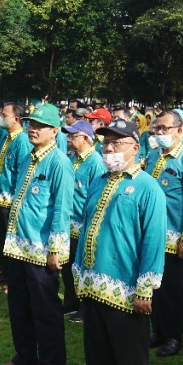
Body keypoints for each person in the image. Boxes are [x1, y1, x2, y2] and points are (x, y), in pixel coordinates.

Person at [68, 119, 166, 365]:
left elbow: (153, 242)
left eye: (117, 143)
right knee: (98, 356)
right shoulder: (99, 181)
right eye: (106, 143)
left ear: (135, 148)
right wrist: (79, 273)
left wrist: (145, 288)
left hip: (127, 291)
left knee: (131, 361)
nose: (109, 149)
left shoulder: (147, 188)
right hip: (94, 286)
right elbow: (84, 230)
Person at [0, 103, 73, 365]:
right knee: (19, 306)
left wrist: (56, 251)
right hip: (18, 247)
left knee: (45, 310)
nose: (33, 128)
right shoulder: (30, 156)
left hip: (41, 251)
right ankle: (26, 357)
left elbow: (63, 210)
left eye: (40, 125)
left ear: (55, 131)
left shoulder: (59, 163)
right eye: (30, 123)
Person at [141, 108, 183, 357]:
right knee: (154, 285)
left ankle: (174, 336)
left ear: (179, 130)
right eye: (157, 128)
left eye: (165, 128)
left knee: (173, 289)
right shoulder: (154, 155)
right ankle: (159, 331)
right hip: (151, 234)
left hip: (175, 236)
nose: (159, 132)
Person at [0, 102, 34, 292]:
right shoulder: (5, 138)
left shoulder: (22, 141)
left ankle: (13, 280)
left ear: (16, 119)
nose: (0, 117)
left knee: (11, 242)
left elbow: (22, 173)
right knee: (2, 239)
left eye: (4, 114)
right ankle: (4, 274)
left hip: (11, 200)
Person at [63, 119, 107, 322]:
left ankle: (84, 306)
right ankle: (70, 302)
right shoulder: (74, 158)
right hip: (69, 221)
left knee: (82, 267)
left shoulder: (95, 162)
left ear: (86, 138)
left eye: (74, 136)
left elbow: (96, 195)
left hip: (84, 222)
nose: (70, 139)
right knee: (69, 265)